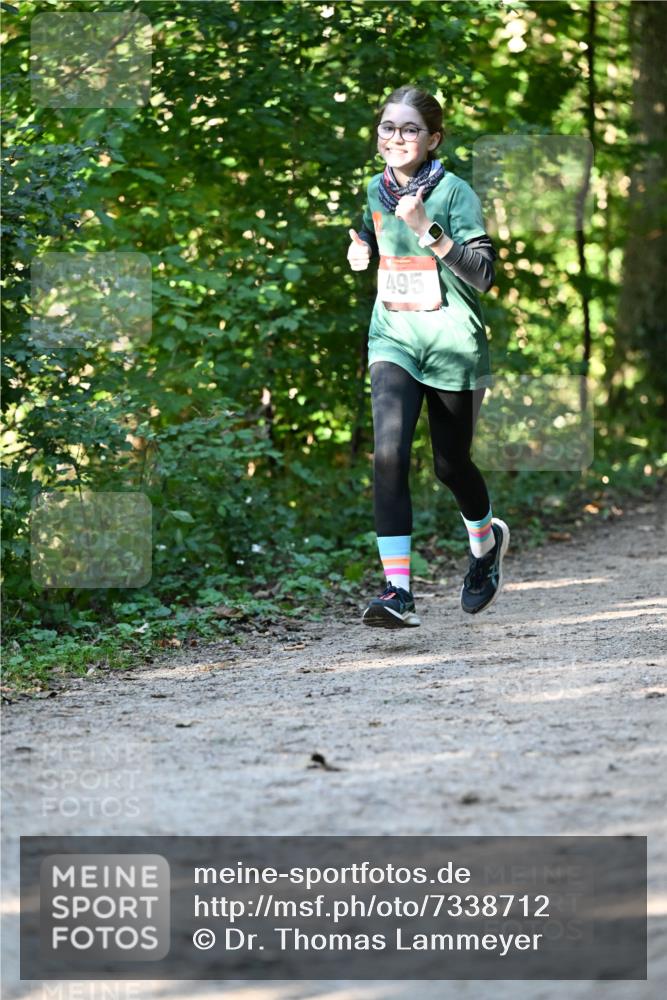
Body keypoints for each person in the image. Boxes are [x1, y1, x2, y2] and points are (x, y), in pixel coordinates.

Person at [347, 84, 510, 629]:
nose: (397, 137)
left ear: (433, 138)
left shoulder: (456, 193)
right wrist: (362, 249)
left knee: (450, 464)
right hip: (392, 338)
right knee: (388, 455)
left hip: (452, 344)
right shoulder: (375, 187)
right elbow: (373, 235)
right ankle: (398, 591)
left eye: (410, 128)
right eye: (388, 127)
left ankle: (485, 545)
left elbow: (484, 274)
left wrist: (427, 232)